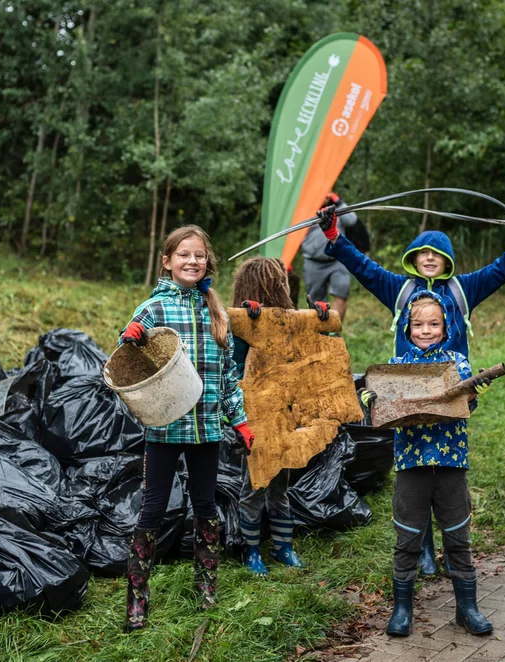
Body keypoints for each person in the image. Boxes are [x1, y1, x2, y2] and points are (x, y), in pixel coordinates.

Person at [317, 203, 505, 575]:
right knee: (413, 471)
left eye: (436, 254)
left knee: (447, 467)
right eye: (422, 252)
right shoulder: (398, 288)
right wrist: (333, 237)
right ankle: (422, 548)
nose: (428, 259)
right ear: (412, 257)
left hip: (451, 394)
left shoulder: (464, 289)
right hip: (407, 396)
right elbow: (362, 266)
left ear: (447, 261)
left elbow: (501, 269)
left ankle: (453, 541)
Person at [119, 225, 255, 633]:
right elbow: (129, 345)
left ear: (206, 262)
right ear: (167, 261)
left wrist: (241, 420)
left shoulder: (215, 311)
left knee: (206, 506)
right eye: (183, 255)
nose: (191, 261)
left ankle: (206, 586)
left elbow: (227, 376)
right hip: (164, 427)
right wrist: (132, 335)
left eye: (198, 255)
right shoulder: (156, 307)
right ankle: (137, 600)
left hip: (206, 429)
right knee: (153, 508)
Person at [363, 291, 492, 637]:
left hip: (450, 463)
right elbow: (375, 402)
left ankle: (468, 608)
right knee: (407, 539)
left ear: (445, 327)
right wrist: (369, 398)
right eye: (418, 324)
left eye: (433, 324)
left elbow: (468, 407)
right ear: (407, 328)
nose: (425, 330)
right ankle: (403, 609)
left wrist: (475, 391)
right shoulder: (395, 367)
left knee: (458, 537)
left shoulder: (456, 364)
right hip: (411, 465)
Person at [230, 257, 330, 575]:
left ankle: (284, 548)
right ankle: (251, 552)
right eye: (280, 283)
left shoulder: (289, 322)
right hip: (256, 419)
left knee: (279, 487)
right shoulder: (244, 323)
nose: (285, 287)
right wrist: (247, 328)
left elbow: (315, 354)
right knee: (255, 487)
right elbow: (233, 367)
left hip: (285, 416)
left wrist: (322, 321)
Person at [301, 193, 359, 323]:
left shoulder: (337, 208)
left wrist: (338, 202)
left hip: (337, 260)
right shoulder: (307, 207)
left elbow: (352, 220)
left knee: (341, 293)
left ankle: (334, 329)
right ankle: (321, 331)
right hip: (313, 261)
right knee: (316, 300)